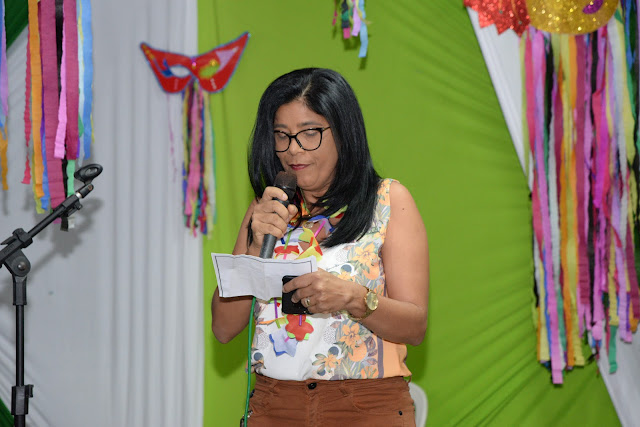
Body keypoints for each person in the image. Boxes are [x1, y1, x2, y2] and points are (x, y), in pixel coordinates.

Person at [211, 68, 429, 426]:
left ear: (343, 132)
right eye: (282, 135)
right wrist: (252, 246)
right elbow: (223, 328)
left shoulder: (389, 201)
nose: (293, 149)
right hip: (274, 406)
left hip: (364, 407)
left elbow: (415, 326)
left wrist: (354, 298)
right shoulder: (267, 209)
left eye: (309, 133)